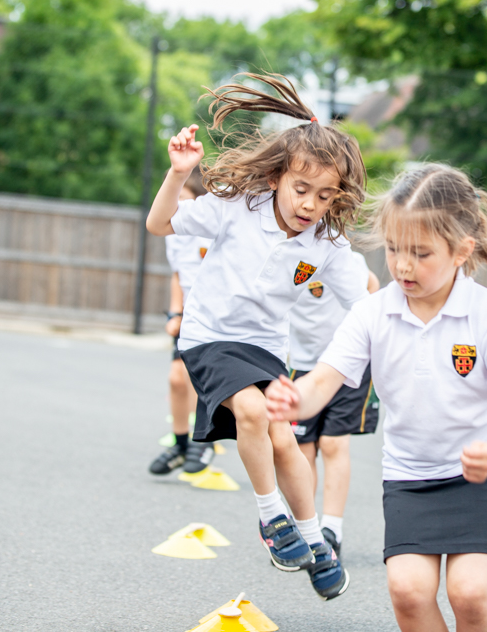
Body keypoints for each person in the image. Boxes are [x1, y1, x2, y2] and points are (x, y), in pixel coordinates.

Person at [267, 163, 487, 631]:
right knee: (409, 593)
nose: (403, 265)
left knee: (469, 594)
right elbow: (323, 380)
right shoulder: (373, 313)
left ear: (461, 251)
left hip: (479, 476)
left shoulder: (486, 314)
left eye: (421, 253)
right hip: (410, 475)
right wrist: (296, 400)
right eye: (394, 249)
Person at [145, 73, 371, 600]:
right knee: (251, 413)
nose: (310, 204)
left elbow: (364, 308)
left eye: (324, 195)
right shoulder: (234, 209)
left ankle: (315, 540)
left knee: (283, 438)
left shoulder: (327, 246)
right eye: (301, 188)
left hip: (267, 348)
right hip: (208, 337)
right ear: (277, 178)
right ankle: (272, 518)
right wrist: (179, 174)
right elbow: (160, 224)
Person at [288, 251, 380, 559]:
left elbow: (372, 284)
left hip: (346, 365)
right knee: (303, 449)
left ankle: (332, 528)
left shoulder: (347, 259)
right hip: (301, 364)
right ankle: (306, 525)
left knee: (332, 444)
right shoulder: (284, 255)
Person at [149, 167, 216, 476]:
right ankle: (180, 444)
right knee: (178, 379)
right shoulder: (173, 233)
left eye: (182, 198)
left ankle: (206, 440)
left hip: (217, 316)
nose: (175, 205)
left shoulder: (211, 227)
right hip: (190, 315)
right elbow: (178, 274)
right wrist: (176, 311)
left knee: (208, 382)